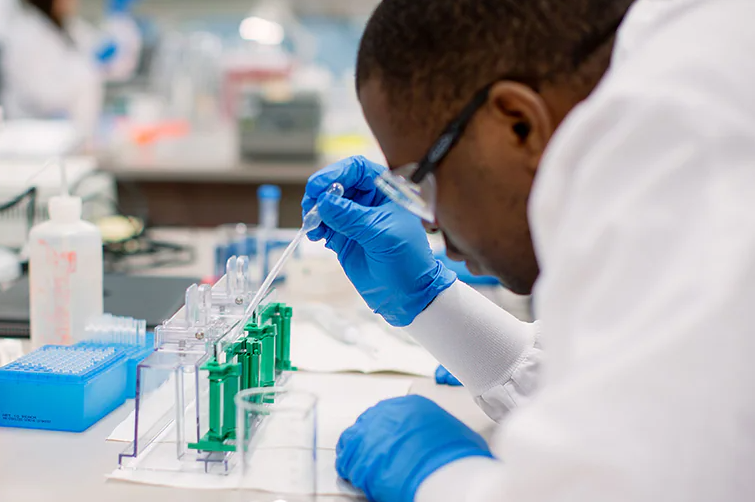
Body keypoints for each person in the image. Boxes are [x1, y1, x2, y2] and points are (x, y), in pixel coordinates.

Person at [304, 0, 755, 501]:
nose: (427, 221)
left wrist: (437, 477)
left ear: (518, 123)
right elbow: (643, 397)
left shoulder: (689, 135)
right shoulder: (675, 70)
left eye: (421, 182)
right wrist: (431, 303)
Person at [0, 0, 141, 129]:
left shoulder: (70, 27)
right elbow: (42, 96)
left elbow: (115, 64)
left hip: (71, 131)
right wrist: (88, 68)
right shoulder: (25, 33)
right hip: (32, 132)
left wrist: (119, 22)